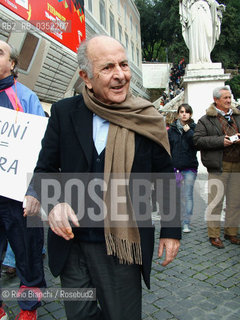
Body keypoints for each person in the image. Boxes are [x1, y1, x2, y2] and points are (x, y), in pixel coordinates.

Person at [26, 35, 181, 320]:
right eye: (108, 67)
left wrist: (171, 230)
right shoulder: (64, 113)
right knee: (80, 315)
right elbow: (45, 169)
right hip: (71, 244)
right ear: (86, 76)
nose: (120, 75)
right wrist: (54, 202)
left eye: (123, 64)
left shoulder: (147, 118)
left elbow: (164, 177)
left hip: (122, 246)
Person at [0, 40, 46, 320]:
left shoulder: (26, 98)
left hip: (18, 198)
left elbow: (42, 150)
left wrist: (34, 191)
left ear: (13, 64)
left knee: (28, 255)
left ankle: (28, 310)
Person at [193, 86, 240, 248]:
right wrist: (221, 141)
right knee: (216, 202)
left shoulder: (237, 116)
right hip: (218, 166)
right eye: (225, 98)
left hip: (237, 165)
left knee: (235, 202)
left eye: (230, 97)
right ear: (216, 100)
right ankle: (214, 235)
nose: (228, 100)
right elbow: (197, 140)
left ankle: (231, 232)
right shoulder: (205, 120)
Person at [168, 104, 198, 233]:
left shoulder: (195, 129)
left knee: (188, 195)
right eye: (182, 112)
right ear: (178, 113)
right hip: (176, 168)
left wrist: (189, 132)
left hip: (189, 167)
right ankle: (177, 220)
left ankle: (186, 222)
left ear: (190, 114)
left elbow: (197, 145)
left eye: (187, 112)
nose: (184, 114)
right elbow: (168, 148)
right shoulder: (172, 130)